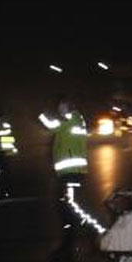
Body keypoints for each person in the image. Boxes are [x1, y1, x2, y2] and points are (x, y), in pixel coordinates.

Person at [39, 96, 89, 229]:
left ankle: (84, 225)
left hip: (72, 170)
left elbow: (52, 126)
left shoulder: (71, 121)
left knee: (70, 202)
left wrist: (41, 115)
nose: (59, 110)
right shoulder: (74, 120)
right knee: (69, 201)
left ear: (68, 108)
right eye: (59, 108)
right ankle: (76, 224)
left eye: (61, 107)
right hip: (70, 170)